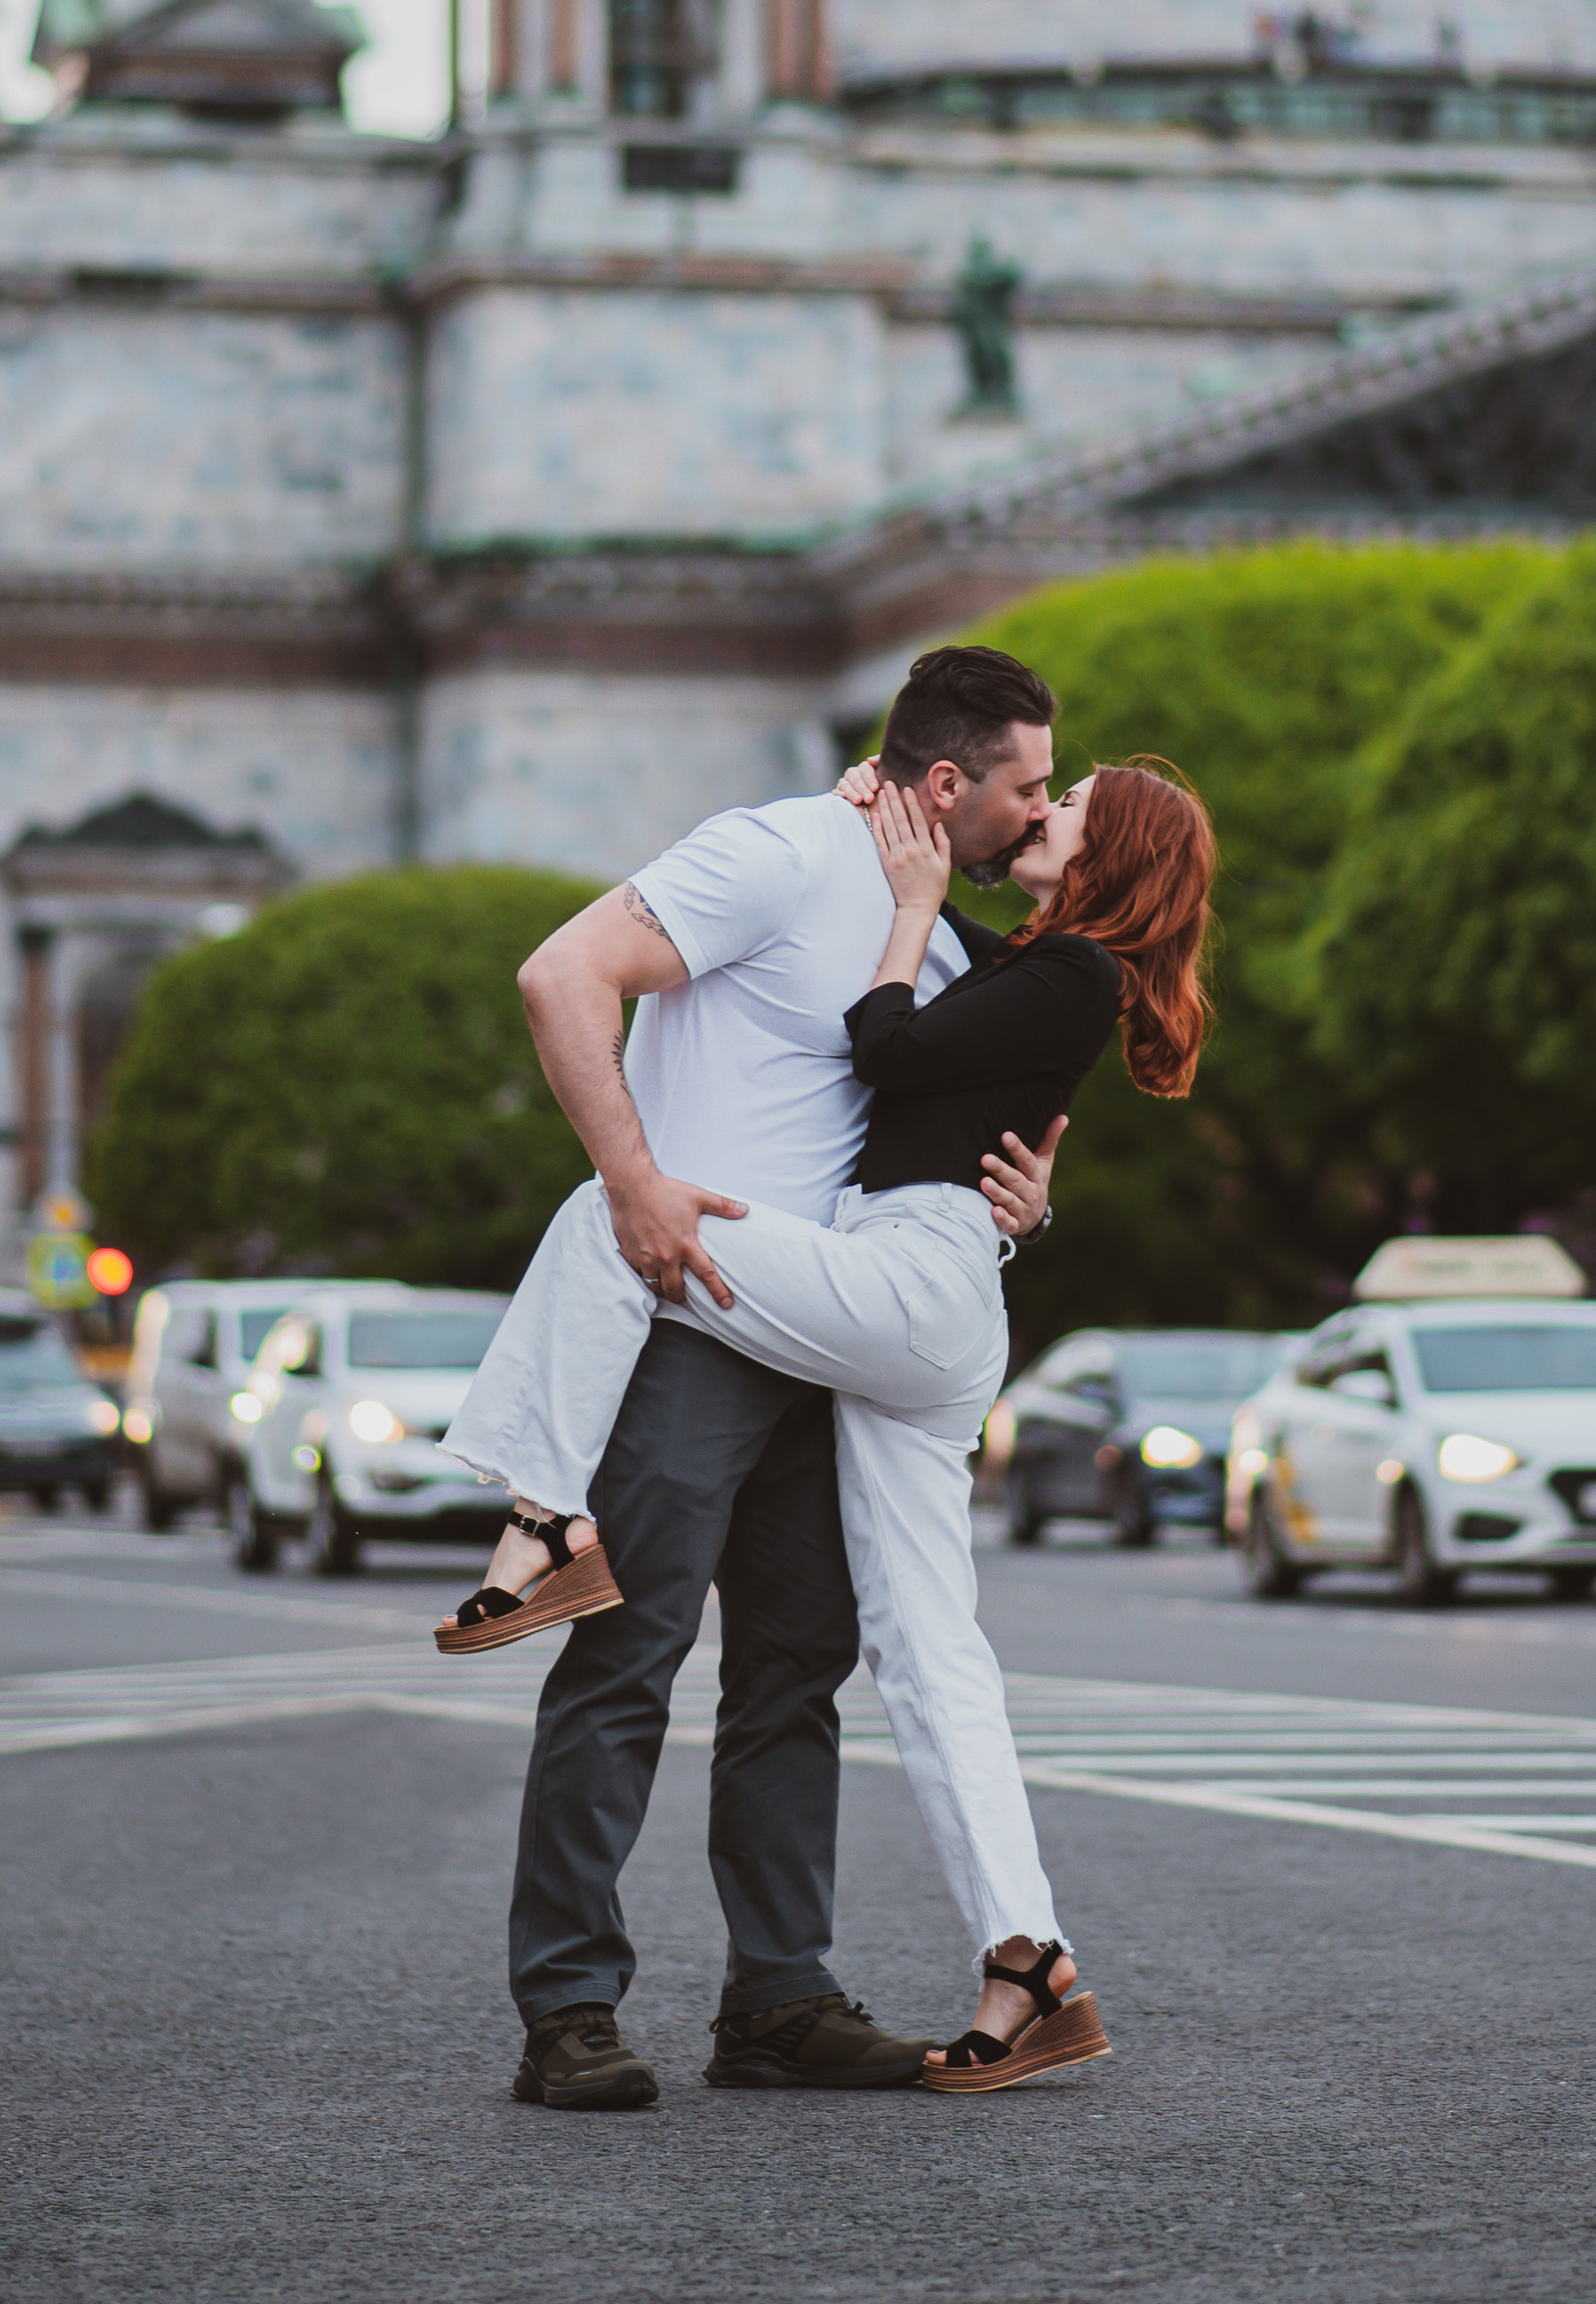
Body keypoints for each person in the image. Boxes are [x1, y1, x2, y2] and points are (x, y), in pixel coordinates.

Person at [446, 716, 1218, 2095]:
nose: (1038, 809)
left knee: (803, 1672)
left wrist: (1031, 1205)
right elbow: (574, 971)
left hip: (848, 1312)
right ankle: (570, 2005)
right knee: (641, 1653)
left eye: (1062, 800)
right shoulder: (788, 853)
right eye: (1029, 786)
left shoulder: (995, 948)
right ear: (943, 780)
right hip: (726, 1313)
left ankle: (779, 1997)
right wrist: (636, 1172)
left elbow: (945, 1071)